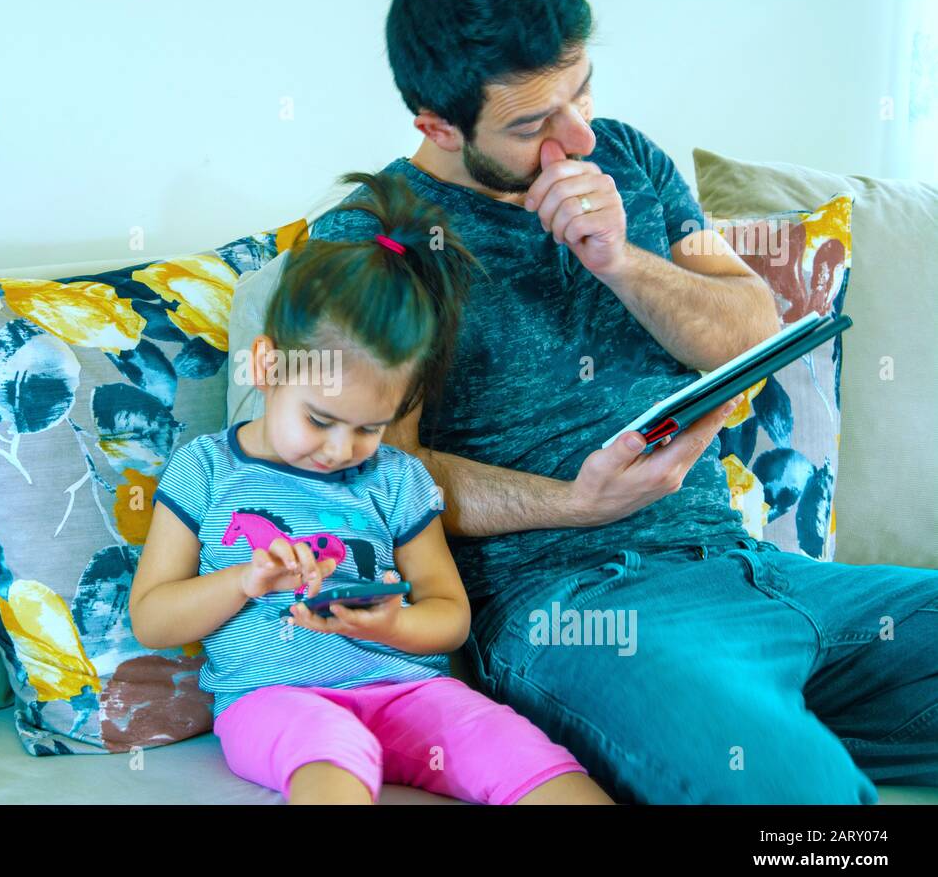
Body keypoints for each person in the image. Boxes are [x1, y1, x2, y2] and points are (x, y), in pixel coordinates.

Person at [227, 0, 938, 803]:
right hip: (576, 611)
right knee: (798, 799)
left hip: (752, 572)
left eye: (582, 90)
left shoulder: (630, 159)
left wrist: (622, 260)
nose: (579, 135)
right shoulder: (372, 239)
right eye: (532, 124)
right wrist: (574, 504)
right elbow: (376, 469)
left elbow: (747, 328)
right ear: (437, 124)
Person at [130, 170, 614, 805]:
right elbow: (152, 619)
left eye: (368, 428)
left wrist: (393, 626)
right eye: (320, 420)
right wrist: (245, 582)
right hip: (276, 699)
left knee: (518, 749)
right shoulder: (205, 470)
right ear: (269, 365)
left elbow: (450, 617)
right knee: (330, 750)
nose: (340, 450)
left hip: (407, 689)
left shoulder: (396, 477)